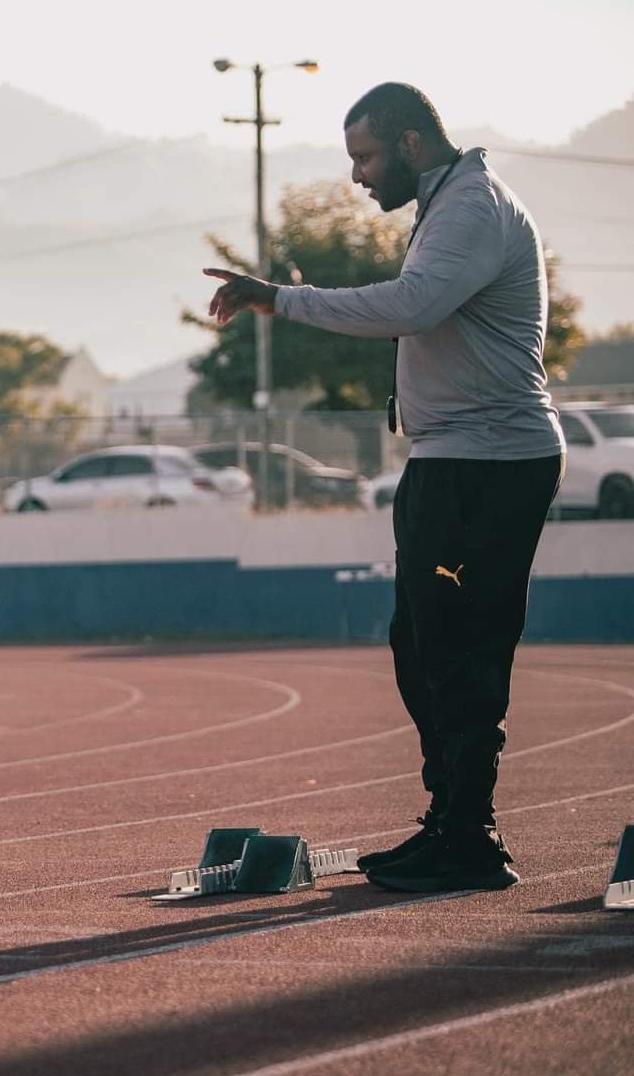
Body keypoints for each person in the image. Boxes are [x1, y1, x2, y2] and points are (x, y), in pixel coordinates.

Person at [205, 82, 565, 893]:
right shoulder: (448, 203)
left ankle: (471, 837)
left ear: (410, 143)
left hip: (489, 463)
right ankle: (451, 821)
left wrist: (280, 298)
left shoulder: (471, 204)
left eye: (364, 156)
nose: (358, 176)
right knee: (421, 643)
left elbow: (412, 305)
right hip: (455, 459)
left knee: (460, 649)